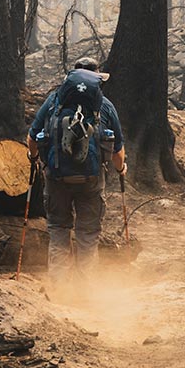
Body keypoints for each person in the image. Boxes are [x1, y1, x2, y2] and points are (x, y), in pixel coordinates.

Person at [27, 56, 126, 288]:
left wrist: (34, 158)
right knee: (88, 236)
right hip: (91, 179)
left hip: (56, 177)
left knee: (59, 230)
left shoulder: (54, 101)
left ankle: (60, 288)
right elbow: (118, 152)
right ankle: (85, 291)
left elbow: (32, 137)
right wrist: (121, 169)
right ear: (98, 78)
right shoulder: (105, 106)